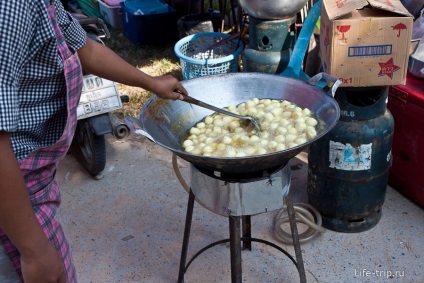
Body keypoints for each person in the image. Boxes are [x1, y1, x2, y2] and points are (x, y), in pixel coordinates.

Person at [0, 0, 188, 282]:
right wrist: (34, 250)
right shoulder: (12, 7)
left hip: (34, 180)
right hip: (13, 192)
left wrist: (149, 82)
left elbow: (85, 48)